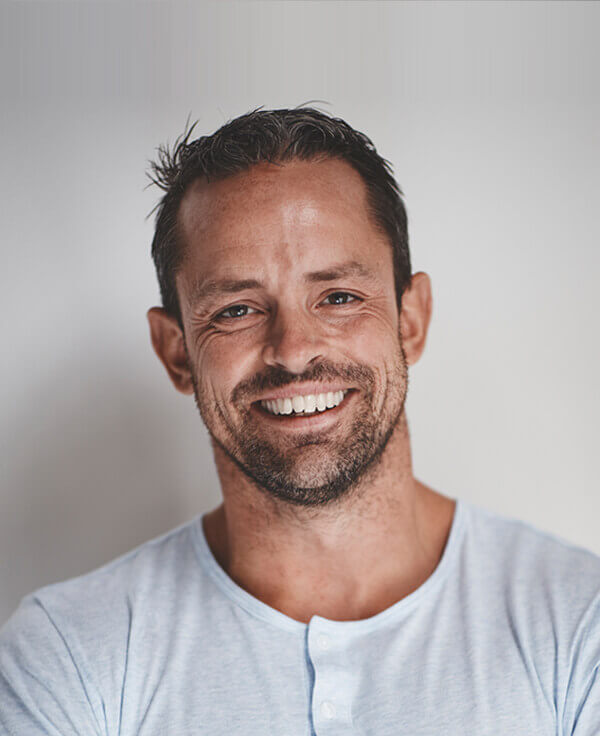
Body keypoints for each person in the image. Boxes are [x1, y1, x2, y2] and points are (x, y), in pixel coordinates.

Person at [1, 106, 599, 735]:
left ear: (411, 320)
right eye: (236, 310)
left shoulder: (578, 623)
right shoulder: (66, 656)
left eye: (338, 297)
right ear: (176, 352)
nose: (292, 350)